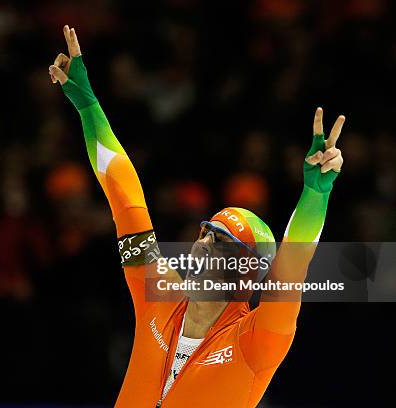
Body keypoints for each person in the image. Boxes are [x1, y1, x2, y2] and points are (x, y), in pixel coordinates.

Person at [49, 25, 345, 407]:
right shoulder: (159, 296)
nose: (203, 242)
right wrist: (87, 104)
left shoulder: (257, 341)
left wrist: (315, 194)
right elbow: (125, 198)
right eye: (207, 231)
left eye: (221, 241)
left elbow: (292, 267)